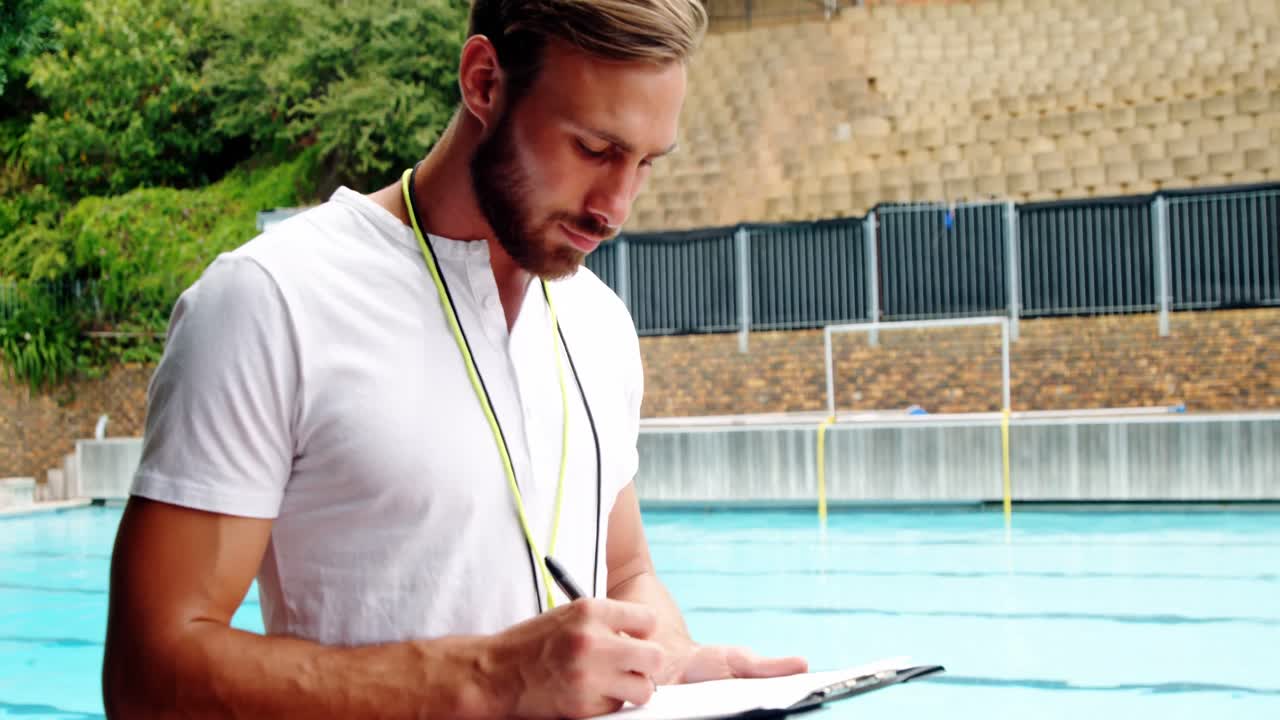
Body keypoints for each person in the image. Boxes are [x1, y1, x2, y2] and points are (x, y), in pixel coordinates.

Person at [102, 1, 807, 717]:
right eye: (595, 150)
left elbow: (625, 573)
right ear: (483, 83)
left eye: (645, 162)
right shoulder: (270, 300)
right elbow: (148, 674)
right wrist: (489, 679)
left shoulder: (602, 323)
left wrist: (673, 660)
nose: (616, 207)